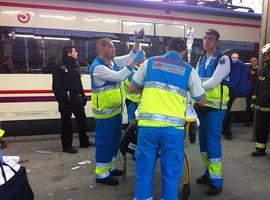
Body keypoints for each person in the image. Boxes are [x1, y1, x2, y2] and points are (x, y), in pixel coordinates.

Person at [130, 37, 206, 200]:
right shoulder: (189, 70)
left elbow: (133, 86)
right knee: (171, 173)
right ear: (184, 52)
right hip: (173, 131)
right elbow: (201, 100)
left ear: (166, 48)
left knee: (144, 171)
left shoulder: (149, 63)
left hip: (148, 128)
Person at [90, 35, 145, 185]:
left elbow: (130, 56)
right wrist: (134, 62)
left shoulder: (111, 62)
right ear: (102, 49)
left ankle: (110, 167)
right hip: (104, 114)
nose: (114, 49)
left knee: (114, 140)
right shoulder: (98, 68)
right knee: (104, 141)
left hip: (115, 110)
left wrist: (137, 42)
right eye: (111, 46)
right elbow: (119, 76)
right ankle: (101, 174)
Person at [195, 29, 230, 196]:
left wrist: (194, 87)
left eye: (210, 39)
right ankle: (208, 172)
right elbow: (195, 79)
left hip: (215, 108)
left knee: (213, 143)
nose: (206, 41)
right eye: (204, 38)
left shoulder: (223, 60)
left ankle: (216, 181)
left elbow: (212, 83)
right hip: (202, 106)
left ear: (217, 42)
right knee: (203, 143)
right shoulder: (201, 59)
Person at [52, 46, 93, 154]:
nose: (77, 53)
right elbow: (56, 87)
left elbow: (79, 83)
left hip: (76, 97)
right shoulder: (60, 67)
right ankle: (67, 146)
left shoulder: (75, 65)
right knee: (66, 123)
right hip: (66, 98)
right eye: (75, 51)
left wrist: (83, 95)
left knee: (82, 120)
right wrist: (61, 102)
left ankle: (84, 141)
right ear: (68, 53)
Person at [250, 43, 270, 157]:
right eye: (266, 54)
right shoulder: (263, 70)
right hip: (261, 106)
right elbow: (257, 87)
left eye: (268, 54)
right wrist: (253, 101)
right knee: (260, 128)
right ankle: (260, 149)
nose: (267, 56)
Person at [222, 52, 239, 140]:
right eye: (233, 57)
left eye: (236, 57)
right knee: (225, 111)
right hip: (225, 91)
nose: (235, 59)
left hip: (229, 92)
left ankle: (227, 130)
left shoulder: (234, 67)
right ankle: (225, 130)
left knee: (227, 111)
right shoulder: (226, 66)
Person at [244, 56, 258, 126]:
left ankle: (254, 121)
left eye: (254, 61)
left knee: (257, 106)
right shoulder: (247, 69)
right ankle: (247, 121)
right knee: (249, 106)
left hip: (257, 91)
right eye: (251, 61)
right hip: (249, 90)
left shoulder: (260, 69)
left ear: (257, 61)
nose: (253, 62)